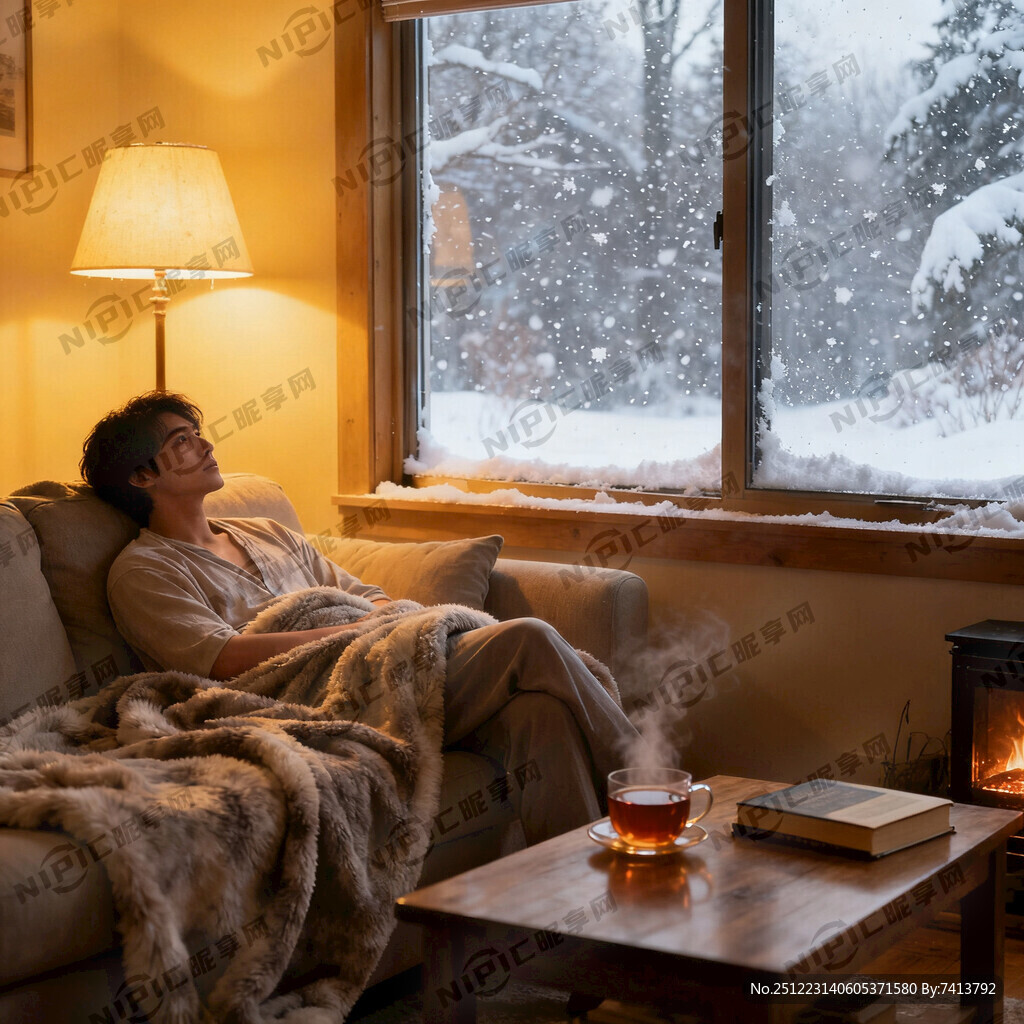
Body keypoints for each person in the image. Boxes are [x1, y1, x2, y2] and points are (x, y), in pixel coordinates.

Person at [81, 392, 639, 845]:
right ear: (141, 477)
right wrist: (353, 632)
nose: (205, 445)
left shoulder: (265, 532)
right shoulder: (143, 570)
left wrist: (384, 624)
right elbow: (218, 658)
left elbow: (364, 596)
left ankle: (589, 928)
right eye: (183, 441)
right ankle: (650, 785)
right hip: (304, 697)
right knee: (527, 638)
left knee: (539, 716)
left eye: (197, 433)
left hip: (379, 665)